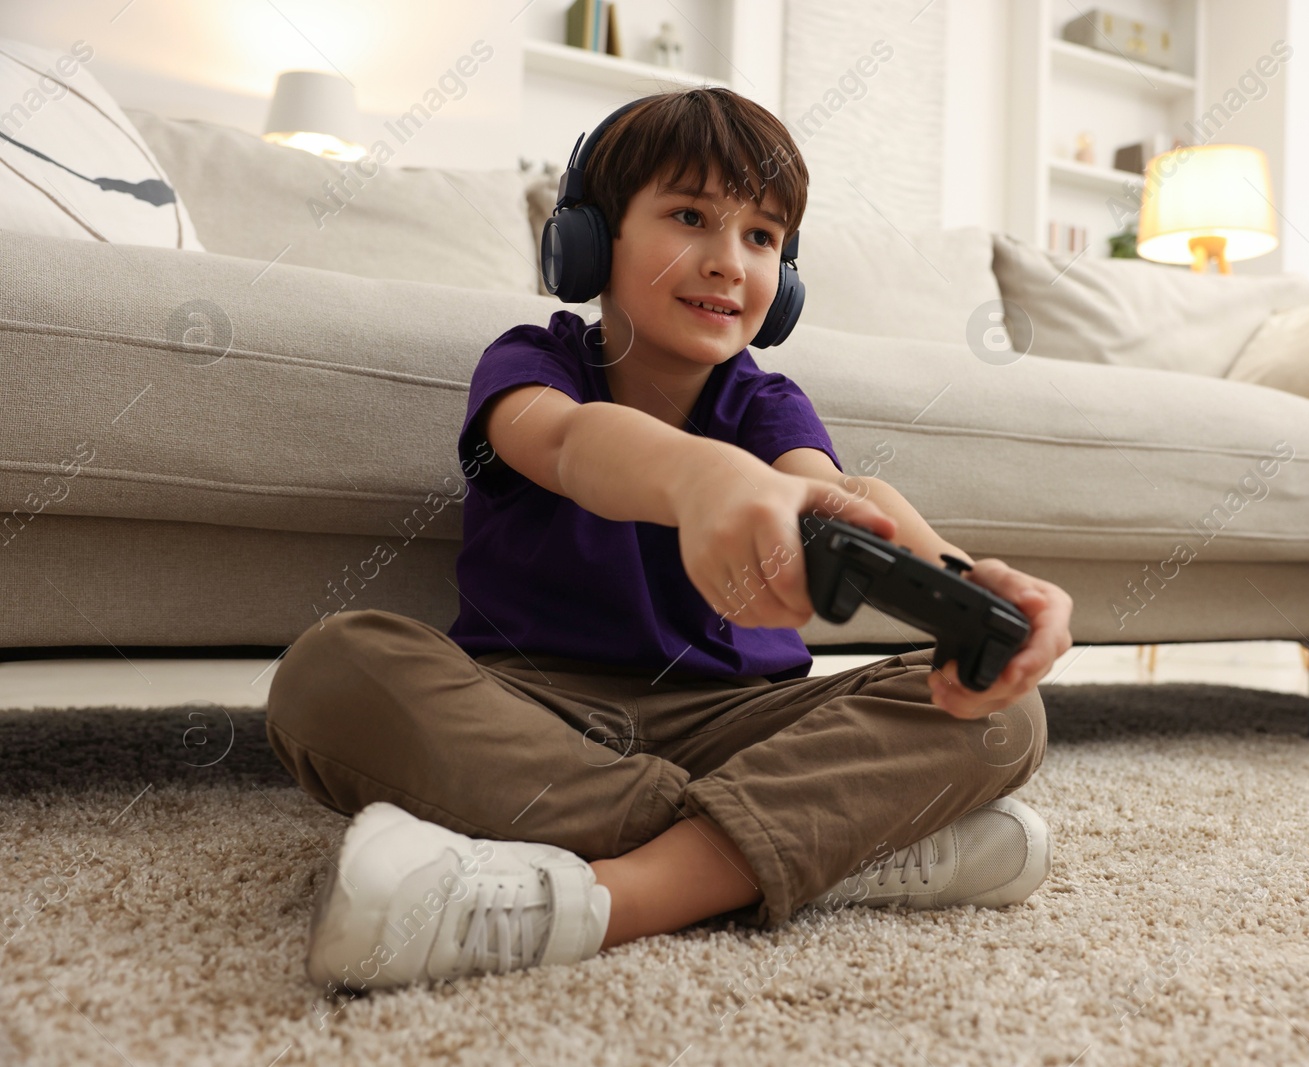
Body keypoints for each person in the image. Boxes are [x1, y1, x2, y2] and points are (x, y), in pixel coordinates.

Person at [265, 86, 1075, 994]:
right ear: (588, 240)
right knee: (330, 668)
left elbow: (842, 495)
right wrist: (705, 478)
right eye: (691, 216)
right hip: (535, 711)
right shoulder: (534, 361)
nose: (729, 263)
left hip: (739, 722)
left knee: (1004, 715)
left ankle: (616, 891)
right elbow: (570, 446)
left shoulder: (766, 403)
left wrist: (975, 591)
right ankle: (812, 847)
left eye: (762, 237)